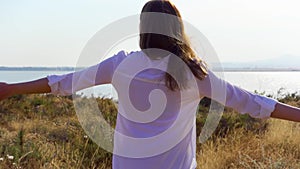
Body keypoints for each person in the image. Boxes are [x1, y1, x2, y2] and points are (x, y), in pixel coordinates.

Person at [0, 0, 299, 169]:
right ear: (177, 29)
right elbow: (252, 103)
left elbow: (63, 83)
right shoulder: (194, 74)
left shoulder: (120, 65)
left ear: (143, 29)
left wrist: (10, 89)